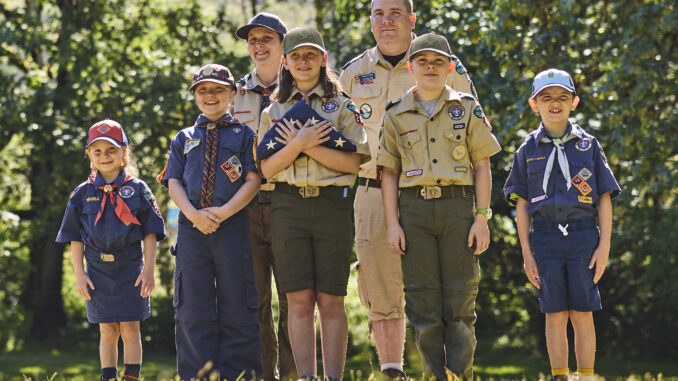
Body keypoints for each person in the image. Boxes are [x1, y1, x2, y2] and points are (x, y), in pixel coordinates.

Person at [339, 2, 481, 377]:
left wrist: (477, 210)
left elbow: (474, 131)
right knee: (381, 291)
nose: (386, 20)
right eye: (378, 13)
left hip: (435, 194)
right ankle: (392, 371)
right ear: (370, 21)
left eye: (395, 12)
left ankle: (446, 373)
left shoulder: (442, 63)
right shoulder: (353, 73)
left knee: (443, 292)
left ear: (411, 19)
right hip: (372, 187)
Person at [378, 34, 501, 380]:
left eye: (437, 62)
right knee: (423, 305)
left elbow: (482, 166)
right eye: (423, 61)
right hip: (414, 211)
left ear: (449, 67)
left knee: (460, 304)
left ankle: (461, 376)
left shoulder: (466, 107)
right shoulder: (396, 114)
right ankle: (432, 377)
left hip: (458, 208)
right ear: (410, 66)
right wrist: (392, 224)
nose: (430, 68)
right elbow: (388, 173)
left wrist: (482, 218)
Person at [256, 27, 370, 380]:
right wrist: (298, 143)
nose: (303, 62)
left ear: (323, 60)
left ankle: (333, 377)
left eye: (311, 55)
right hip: (287, 207)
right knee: (298, 300)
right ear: (285, 63)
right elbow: (267, 169)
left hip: (331, 207)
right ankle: (306, 376)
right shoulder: (273, 110)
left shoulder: (343, 105)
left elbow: (353, 163)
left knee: (331, 298)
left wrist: (306, 144)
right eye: (296, 56)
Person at [503, 68, 621, 380]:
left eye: (562, 97)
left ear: (574, 102)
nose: (555, 103)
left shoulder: (589, 145)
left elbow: (605, 197)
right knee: (554, 312)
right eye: (547, 97)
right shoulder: (527, 150)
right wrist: (527, 253)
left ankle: (585, 375)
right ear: (534, 104)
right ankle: (559, 376)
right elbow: (522, 205)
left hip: (583, 236)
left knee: (582, 312)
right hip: (544, 238)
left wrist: (604, 246)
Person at [157, 64, 262, 380]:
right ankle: (199, 375)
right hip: (192, 231)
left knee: (238, 307)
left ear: (232, 93)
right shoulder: (183, 137)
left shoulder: (244, 134)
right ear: (195, 96)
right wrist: (193, 215)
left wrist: (223, 213)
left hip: (232, 228)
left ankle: (239, 375)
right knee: (193, 310)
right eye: (203, 90)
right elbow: (173, 181)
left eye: (218, 89)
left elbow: (253, 179)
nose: (210, 95)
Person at [56, 119, 166, 381]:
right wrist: (79, 274)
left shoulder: (139, 189)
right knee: (107, 330)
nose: (104, 156)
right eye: (98, 151)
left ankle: (131, 378)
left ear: (124, 152)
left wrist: (149, 270)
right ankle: (108, 378)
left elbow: (151, 232)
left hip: (131, 269)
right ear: (90, 155)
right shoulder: (82, 194)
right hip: (97, 270)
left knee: (130, 328)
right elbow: (75, 237)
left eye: (111, 150)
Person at [233, 13, 297, 381]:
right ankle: (262, 376)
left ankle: (293, 375)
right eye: (253, 39)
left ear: (282, 44)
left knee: (295, 299)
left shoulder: (300, 86)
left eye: (267, 38)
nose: (259, 45)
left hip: (290, 201)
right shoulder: (235, 92)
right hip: (247, 207)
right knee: (254, 301)